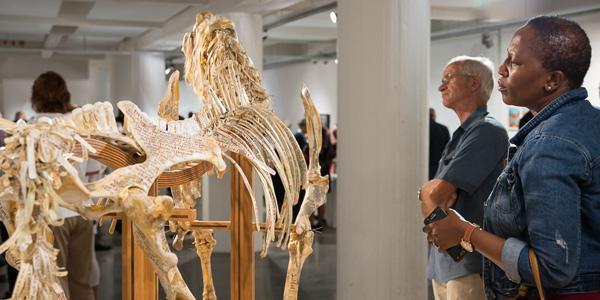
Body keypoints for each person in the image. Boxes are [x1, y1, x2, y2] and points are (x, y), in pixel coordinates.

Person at [424, 16, 600, 299]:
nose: (502, 70)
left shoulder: (550, 144)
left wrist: (465, 232)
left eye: (514, 62)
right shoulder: (584, 124)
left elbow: (551, 267)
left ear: (552, 80)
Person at [420, 56, 509, 300]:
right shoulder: (461, 134)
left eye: (448, 78)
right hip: (445, 264)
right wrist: (430, 197)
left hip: (467, 264)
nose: (440, 86)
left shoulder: (487, 130)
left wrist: (455, 248)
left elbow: (434, 194)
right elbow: (430, 194)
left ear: (473, 83)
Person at [31, 71, 99, 299]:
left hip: (52, 213)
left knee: (55, 283)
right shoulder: (77, 128)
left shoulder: (33, 129)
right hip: (81, 210)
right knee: (82, 281)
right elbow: (93, 173)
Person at [429, 108, 450, 180]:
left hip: (423, 163)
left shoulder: (421, 129)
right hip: (438, 165)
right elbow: (448, 149)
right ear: (434, 115)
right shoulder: (443, 129)